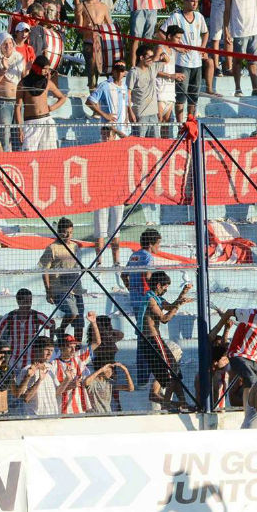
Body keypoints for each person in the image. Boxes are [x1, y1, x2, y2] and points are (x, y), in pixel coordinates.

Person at [87, 62, 134, 261]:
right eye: (118, 70)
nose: (121, 73)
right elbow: (90, 101)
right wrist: (106, 117)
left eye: (123, 70)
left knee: (116, 228)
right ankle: (99, 261)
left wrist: (129, 120)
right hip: (102, 192)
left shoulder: (124, 87)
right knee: (100, 228)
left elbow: (127, 106)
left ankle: (116, 261)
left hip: (116, 191)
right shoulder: (105, 86)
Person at [142, 271, 193, 409]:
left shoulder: (156, 298)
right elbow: (165, 319)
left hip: (155, 339)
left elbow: (170, 306)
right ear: (158, 285)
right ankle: (169, 403)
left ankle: (181, 402)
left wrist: (183, 294)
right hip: (152, 339)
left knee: (175, 371)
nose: (166, 290)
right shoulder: (151, 300)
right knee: (171, 372)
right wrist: (178, 306)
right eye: (165, 287)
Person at [39, 217, 85, 341]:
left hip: (76, 288)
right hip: (60, 289)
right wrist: (48, 291)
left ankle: (77, 346)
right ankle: (61, 329)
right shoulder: (52, 248)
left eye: (70, 232)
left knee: (79, 322)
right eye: (65, 232)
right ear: (59, 232)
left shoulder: (75, 247)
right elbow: (45, 270)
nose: (68, 235)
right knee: (73, 312)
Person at [165, 0, 207, 123]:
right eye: (192, 1)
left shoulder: (199, 16)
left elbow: (205, 33)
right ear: (185, 1)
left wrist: (203, 47)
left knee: (194, 97)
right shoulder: (176, 17)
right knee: (181, 96)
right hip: (182, 63)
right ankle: (180, 126)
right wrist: (176, 47)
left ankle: (190, 124)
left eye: (197, 1)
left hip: (197, 63)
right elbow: (161, 33)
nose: (195, 4)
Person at [0, 288, 55, 373]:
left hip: (31, 362)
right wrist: (1, 353)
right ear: (18, 302)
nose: (28, 304)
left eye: (30, 301)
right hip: (12, 362)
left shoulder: (36, 316)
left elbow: (52, 324)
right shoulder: (9, 317)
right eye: (25, 302)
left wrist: (51, 341)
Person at [15, 55, 67, 151]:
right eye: (45, 69)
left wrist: (51, 108)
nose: (47, 71)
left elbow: (62, 98)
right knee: (28, 154)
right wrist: (20, 129)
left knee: (49, 155)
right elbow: (18, 107)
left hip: (47, 121)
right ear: (37, 67)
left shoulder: (48, 83)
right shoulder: (22, 83)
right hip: (30, 123)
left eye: (48, 69)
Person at [52, 312, 101, 415]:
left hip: (80, 409)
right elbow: (54, 391)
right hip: (61, 410)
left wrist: (93, 323)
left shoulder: (78, 358)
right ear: (61, 347)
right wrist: (70, 385)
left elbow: (97, 342)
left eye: (75, 346)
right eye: (70, 347)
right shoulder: (53, 365)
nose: (73, 350)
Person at [224, 0, 257, 96]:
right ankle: (238, 89)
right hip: (239, 29)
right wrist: (226, 29)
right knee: (238, 60)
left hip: (255, 29)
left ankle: (255, 88)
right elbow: (227, 9)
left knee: (253, 61)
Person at [14, 335, 60, 417]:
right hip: (35, 417)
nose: (49, 353)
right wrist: (39, 380)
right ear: (37, 350)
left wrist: (68, 379)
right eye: (46, 350)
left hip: (53, 415)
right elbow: (25, 398)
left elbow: (57, 392)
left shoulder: (51, 368)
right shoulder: (27, 370)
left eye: (51, 350)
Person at [75, 0, 110, 91]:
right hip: (89, 42)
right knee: (92, 67)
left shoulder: (103, 6)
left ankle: (110, 91)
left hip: (102, 43)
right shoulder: (81, 6)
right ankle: (93, 92)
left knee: (109, 67)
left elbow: (110, 26)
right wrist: (87, 28)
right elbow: (79, 29)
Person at [156, 26, 183, 138]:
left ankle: (164, 146)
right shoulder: (160, 48)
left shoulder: (173, 51)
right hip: (160, 91)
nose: (179, 41)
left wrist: (176, 76)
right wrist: (171, 76)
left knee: (166, 123)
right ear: (169, 36)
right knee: (158, 121)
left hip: (170, 93)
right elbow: (153, 70)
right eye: (177, 38)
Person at [129, 45, 160, 137]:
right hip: (140, 115)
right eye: (149, 57)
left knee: (155, 143)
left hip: (154, 114)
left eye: (152, 57)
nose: (152, 59)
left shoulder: (152, 68)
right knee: (139, 142)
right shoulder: (134, 72)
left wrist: (160, 56)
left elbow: (167, 60)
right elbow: (127, 94)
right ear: (141, 57)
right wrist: (130, 112)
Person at [130, 0, 165, 67]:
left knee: (148, 39)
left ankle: (146, 64)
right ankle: (133, 66)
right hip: (138, 5)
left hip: (153, 5)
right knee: (135, 38)